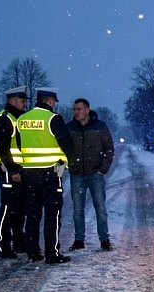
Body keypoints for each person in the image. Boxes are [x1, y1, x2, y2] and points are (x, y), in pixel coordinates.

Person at [16, 87, 74, 264]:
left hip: (29, 175)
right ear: (49, 100)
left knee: (32, 215)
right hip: (50, 174)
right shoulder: (53, 119)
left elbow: (19, 145)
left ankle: (33, 252)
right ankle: (52, 254)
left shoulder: (22, 119)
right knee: (52, 216)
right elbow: (68, 144)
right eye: (54, 101)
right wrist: (65, 163)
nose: (54, 104)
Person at [66, 98, 115, 252]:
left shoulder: (100, 127)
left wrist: (102, 169)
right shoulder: (69, 128)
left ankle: (104, 240)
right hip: (77, 175)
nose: (76, 112)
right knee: (77, 209)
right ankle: (79, 240)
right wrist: (70, 164)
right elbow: (63, 148)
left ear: (87, 110)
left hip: (95, 174)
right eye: (74, 109)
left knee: (100, 208)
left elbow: (109, 148)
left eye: (79, 109)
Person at [0, 86, 28, 258]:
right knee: (8, 209)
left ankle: (19, 243)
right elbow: (2, 148)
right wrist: (13, 169)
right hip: (8, 170)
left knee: (19, 209)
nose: (25, 103)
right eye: (22, 100)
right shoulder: (4, 119)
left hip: (18, 170)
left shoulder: (17, 118)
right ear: (12, 100)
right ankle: (4, 246)